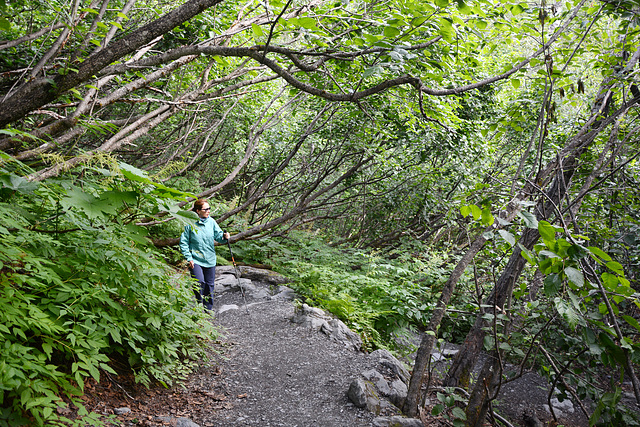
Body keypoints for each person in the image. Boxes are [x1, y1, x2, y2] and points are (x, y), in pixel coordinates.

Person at [179, 198, 230, 311]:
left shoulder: (211, 222)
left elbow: (219, 236)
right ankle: (198, 305)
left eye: (209, 208)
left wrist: (225, 237)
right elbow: (183, 242)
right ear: (198, 211)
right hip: (195, 259)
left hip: (210, 259)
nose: (208, 211)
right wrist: (189, 258)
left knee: (209, 285)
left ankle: (207, 310)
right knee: (199, 282)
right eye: (205, 209)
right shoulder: (190, 223)